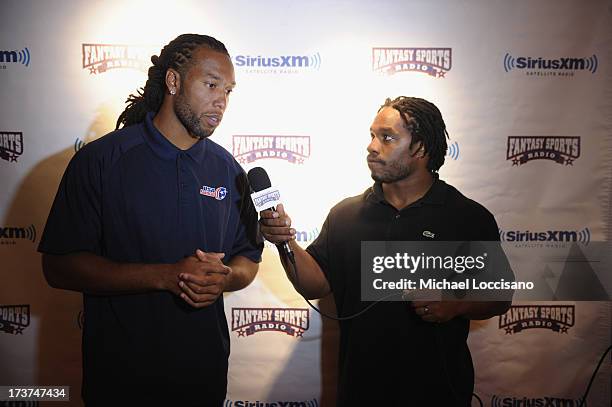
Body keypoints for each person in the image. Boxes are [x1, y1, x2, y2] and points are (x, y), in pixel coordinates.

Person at [39, 34, 263, 407]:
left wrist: (226, 277)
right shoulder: (101, 161)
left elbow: (247, 260)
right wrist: (165, 275)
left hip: (203, 379)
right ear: (173, 82)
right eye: (210, 84)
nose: (221, 101)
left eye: (228, 90)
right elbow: (59, 267)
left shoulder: (229, 170)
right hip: (119, 380)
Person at [259, 96, 512, 406]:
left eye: (387, 137)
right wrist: (285, 243)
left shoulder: (466, 216)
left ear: (420, 148)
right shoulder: (345, 215)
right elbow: (317, 284)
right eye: (372, 135)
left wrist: (455, 303)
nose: (372, 146)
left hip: (438, 393)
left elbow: (500, 295)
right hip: (360, 393)